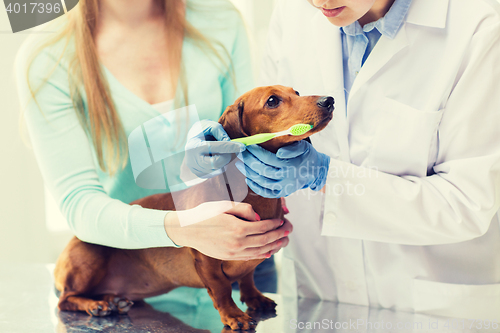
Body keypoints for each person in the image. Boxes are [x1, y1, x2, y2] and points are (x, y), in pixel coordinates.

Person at [186, 0, 500, 320]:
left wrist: (325, 176)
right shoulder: (293, 13)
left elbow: (468, 202)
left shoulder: (477, 28)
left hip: (433, 309)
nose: (320, 1)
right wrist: (225, 158)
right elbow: (271, 130)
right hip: (318, 297)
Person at [15, 0, 293, 293]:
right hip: (128, 283)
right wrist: (183, 228)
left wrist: (277, 177)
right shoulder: (47, 57)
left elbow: (249, 144)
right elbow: (79, 205)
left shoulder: (220, 19)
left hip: (241, 264)